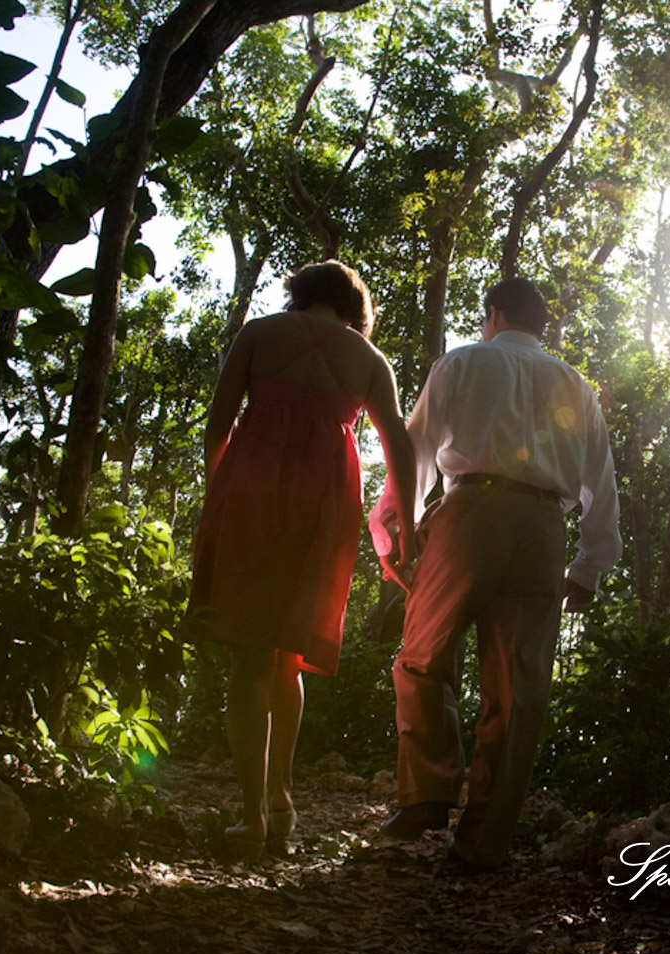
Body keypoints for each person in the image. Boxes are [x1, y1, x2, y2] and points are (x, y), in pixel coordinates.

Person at [368, 276, 621, 870]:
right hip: (542, 530)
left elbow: (417, 451)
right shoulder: (574, 384)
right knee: (519, 688)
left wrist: (391, 531)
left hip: (471, 514)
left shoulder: (463, 362)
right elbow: (600, 481)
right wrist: (589, 565)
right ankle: (480, 844)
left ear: (494, 313)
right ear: (540, 325)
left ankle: (429, 792)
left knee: (422, 655)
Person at [189, 260, 415, 856]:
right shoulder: (368, 361)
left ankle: (251, 816)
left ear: (301, 295)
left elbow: (217, 428)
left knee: (248, 657)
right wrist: (407, 529)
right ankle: (282, 797)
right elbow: (401, 449)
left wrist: (220, 499)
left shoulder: (259, 335)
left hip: (251, 501)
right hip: (324, 510)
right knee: (287, 655)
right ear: (353, 308)